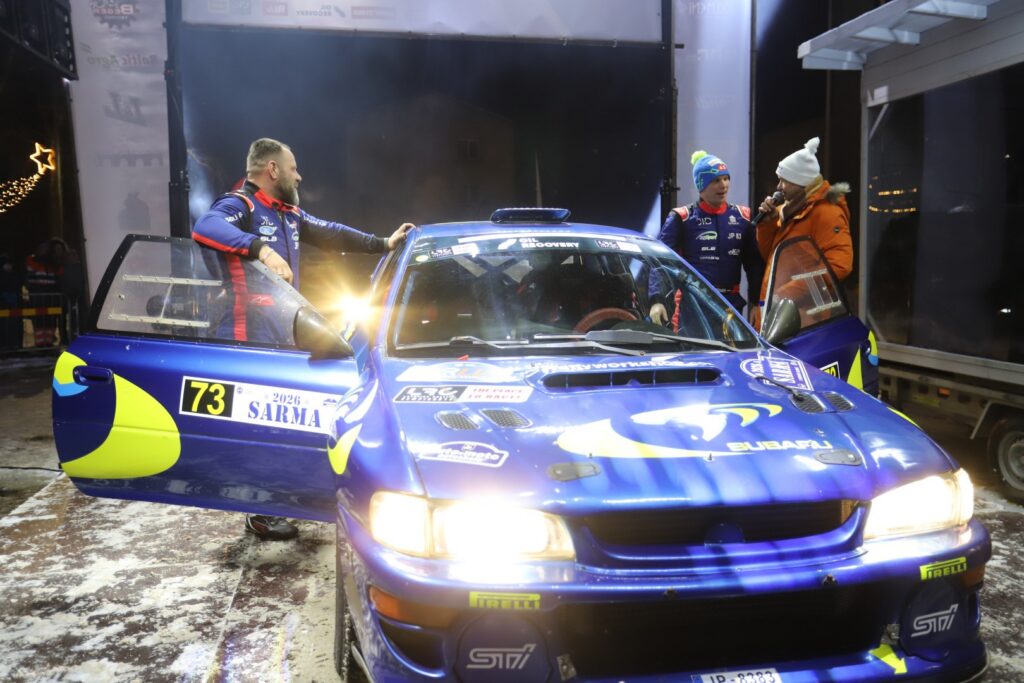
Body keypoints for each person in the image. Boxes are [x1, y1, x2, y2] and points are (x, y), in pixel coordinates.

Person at [193, 137, 414, 540]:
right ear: (272, 169)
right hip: (247, 333)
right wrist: (261, 250)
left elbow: (333, 234)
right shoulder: (240, 204)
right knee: (257, 424)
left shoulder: (289, 213)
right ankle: (259, 510)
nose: (299, 176)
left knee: (280, 420)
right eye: (293, 168)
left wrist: (383, 244)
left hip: (281, 329)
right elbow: (205, 227)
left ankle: (280, 498)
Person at [649, 150, 763, 328]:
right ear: (701, 185)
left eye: (726, 178)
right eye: (716, 180)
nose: (723, 185)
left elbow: (754, 265)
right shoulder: (682, 217)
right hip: (693, 306)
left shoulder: (742, 217)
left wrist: (756, 303)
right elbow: (661, 262)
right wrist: (657, 300)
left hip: (731, 308)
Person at [753, 137, 852, 328]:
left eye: (784, 181)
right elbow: (771, 258)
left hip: (805, 321)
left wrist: (787, 293)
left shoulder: (827, 213)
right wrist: (767, 224)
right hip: (781, 315)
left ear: (801, 183)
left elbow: (840, 266)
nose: (778, 187)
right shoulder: (788, 211)